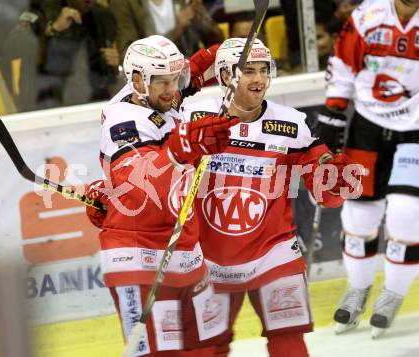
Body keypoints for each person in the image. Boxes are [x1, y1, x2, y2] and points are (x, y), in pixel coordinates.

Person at [181, 38, 363, 356]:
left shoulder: (292, 125)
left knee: (289, 341)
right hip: (208, 261)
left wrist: (333, 179)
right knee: (203, 349)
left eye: (264, 70)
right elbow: (159, 161)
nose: (259, 79)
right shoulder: (193, 116)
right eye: (248, 71)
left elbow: (324, 187)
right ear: (225, 76)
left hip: (274, 257)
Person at [84, 35, 239, 356]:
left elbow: (194, 73)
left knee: (213, 346)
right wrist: (184, 145)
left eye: (174, 79)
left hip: (182, 251)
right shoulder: (123, 122)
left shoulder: (155, 96)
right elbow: (142, 184)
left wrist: (227, 51)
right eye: (162, 82)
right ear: (138, 80)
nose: (172, 89)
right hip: (138, 258)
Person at [315, 0, 419, 338]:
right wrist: (332, 113)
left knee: (407, 212)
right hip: (366, 127)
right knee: (357, 216)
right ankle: (357, 290)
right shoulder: (367, 17)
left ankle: (392, 294)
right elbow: (343, 66)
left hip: (415, 130)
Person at [22, 0, 121, 108]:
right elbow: (12, 48)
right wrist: (53, 29)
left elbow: (109, 76)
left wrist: (115, 67)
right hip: (48, 104)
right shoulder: (42, 10)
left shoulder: (103, 17)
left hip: (95, 103)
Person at [109, 0, 223, 59]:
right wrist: (175, 31)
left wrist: (202, 22)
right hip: (155, 81)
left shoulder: (185, 2)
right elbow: (128, 54)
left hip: (192, 73)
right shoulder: (123, 3)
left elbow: (219, 42)